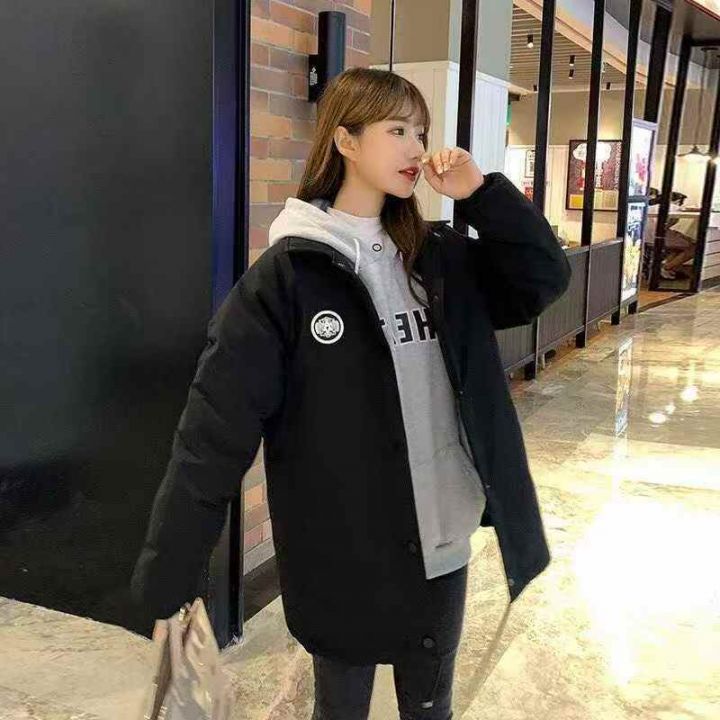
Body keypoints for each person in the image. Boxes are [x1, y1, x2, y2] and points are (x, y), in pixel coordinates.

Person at [131, 68, 571, 719]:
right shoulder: (287, 279)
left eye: (420, 131)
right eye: (397, 130)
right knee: (340, 710)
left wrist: (481, 195)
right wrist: (169, 575)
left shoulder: (437, 258)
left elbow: (543, 278)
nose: (416, 147)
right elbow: (212, 435)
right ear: (345, 140)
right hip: (343, 548)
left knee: (430, 709)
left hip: (440, 538)